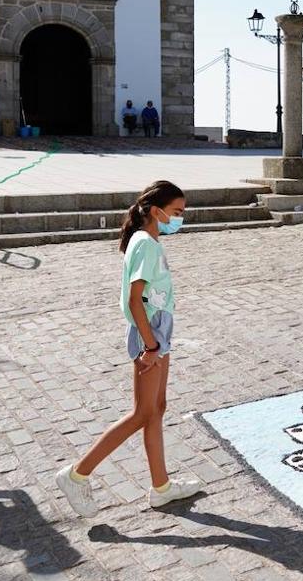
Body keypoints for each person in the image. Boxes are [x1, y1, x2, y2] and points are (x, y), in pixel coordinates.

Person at [56, 180, 204, 515]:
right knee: (141, 412)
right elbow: (135, 300)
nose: (180, 219)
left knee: (157, 407)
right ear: (157, 211)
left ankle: (161, 486)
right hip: (149, 334)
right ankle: (77, 474)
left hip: (158, 332)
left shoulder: (148, 240)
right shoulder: (145, 245)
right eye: (177, 212)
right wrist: (151, 345)